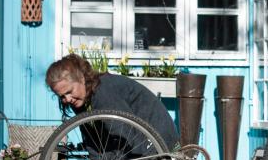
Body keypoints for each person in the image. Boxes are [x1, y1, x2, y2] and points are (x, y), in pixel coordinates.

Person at [46, 53, 179, 151]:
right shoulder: (80, 100)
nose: (68, 99)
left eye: (69, 91)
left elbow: (123, 135)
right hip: (135, 141)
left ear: (81, 78)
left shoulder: (104, 92)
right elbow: (93, 141)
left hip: (157, 135)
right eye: (62, 96)